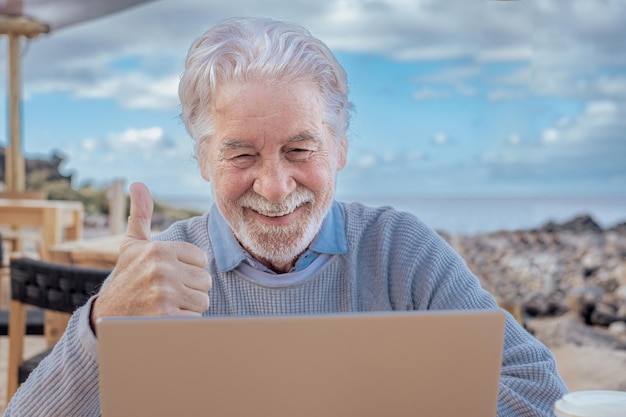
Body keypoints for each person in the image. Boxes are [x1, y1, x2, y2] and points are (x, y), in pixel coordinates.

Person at [4, 17, 567, 416]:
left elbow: (536, 384)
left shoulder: (401, 250)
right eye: (241, 154)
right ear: (203, 159)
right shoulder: (161, 275)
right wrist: (104, 323)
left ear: (341, 148)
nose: (274, 187)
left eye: (301, 150)